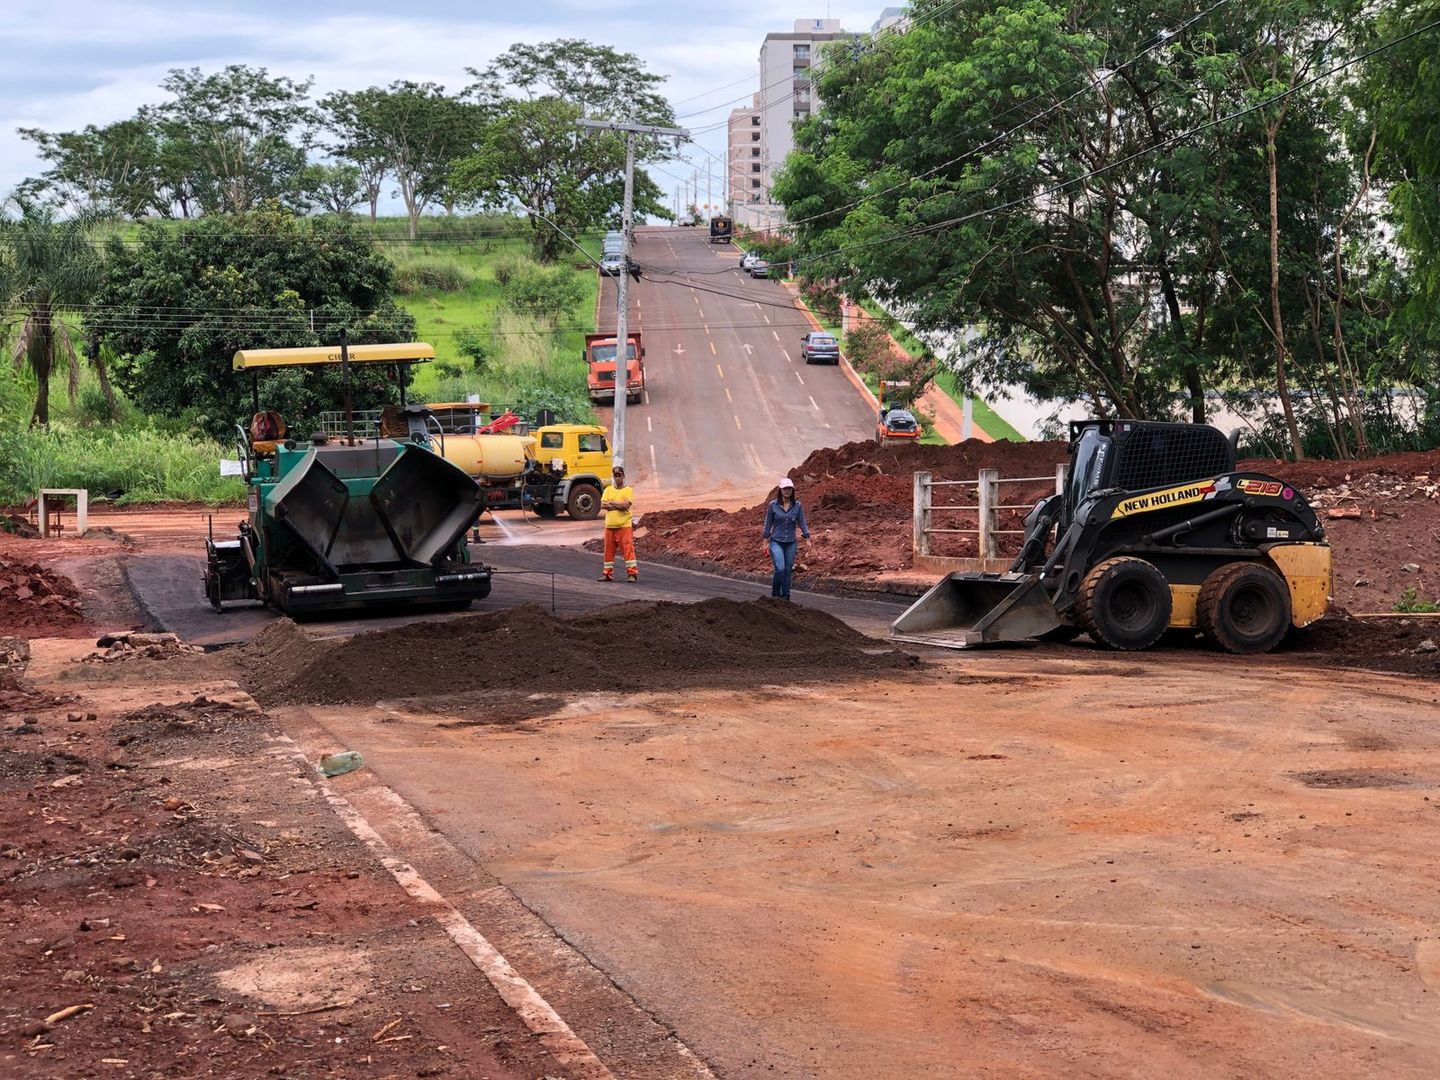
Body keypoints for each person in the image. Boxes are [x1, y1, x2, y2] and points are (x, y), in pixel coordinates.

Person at [762, 477, 810, 600]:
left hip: (791, 542)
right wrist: (765, 540)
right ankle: (775, 594)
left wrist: (807, 537)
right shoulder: (773, 505)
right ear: (780, 490)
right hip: (776, 541)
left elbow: (802, 522)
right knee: (780, 568)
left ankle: (786, 596)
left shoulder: (797, 506)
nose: (787, 491)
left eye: (789, 489)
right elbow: (768, 523)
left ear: (792, 490)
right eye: (785, 489)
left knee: (788, 570)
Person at [599, 465, 638, 582]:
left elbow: (626, 506)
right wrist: (618, 504)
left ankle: (632, 574)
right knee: (608, 552)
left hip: (624, 526)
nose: (617, 478)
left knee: (628, 550)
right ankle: (607, 574)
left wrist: (611, 502)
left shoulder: (628, 490)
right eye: (615, 476)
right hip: (609, 526)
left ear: (623, 476)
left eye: (619, 475)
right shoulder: (607, 490)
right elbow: (603, 505)